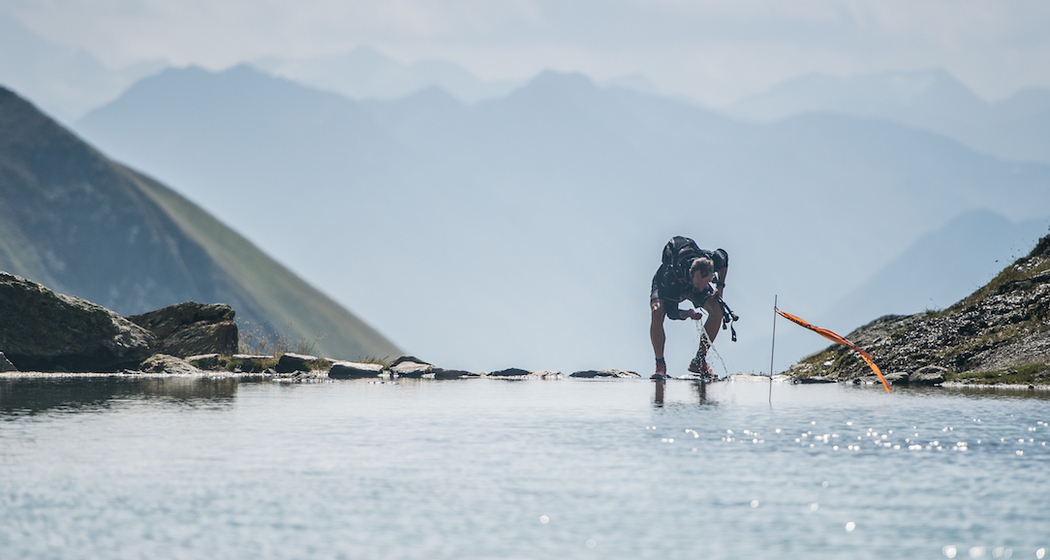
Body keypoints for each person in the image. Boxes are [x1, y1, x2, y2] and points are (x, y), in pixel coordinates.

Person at [649, 236, 729, 379]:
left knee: (717, 310)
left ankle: (699, 361)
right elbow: (672, 313)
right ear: (691, 273)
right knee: (657, 312)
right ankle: (660, 365)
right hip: (665, 284)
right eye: (699, 284)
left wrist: (720, 286)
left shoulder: (707, 260)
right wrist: (688, 314)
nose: (701, 288)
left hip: (692, 280)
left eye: (705, 283)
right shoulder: (671, 278)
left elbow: (723, 256)